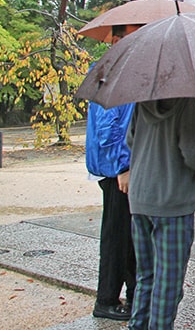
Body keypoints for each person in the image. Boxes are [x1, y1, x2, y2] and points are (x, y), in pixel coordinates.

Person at [126, 98, 195, 330]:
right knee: (168, 283)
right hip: (173, 199)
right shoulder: (190, 102)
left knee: (146, 277)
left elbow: (131, 139)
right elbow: (193, 154)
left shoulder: (143, 98)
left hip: (140, 197)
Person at [85, 26, 136, 321]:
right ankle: (105, 299)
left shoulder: (123, 71)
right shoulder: (108, 72)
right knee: (117, 236)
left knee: (128, 235)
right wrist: (122, 166)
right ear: (116, 40)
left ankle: (133, 293)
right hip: (116, 169)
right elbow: (107, 126)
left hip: (123, 165)